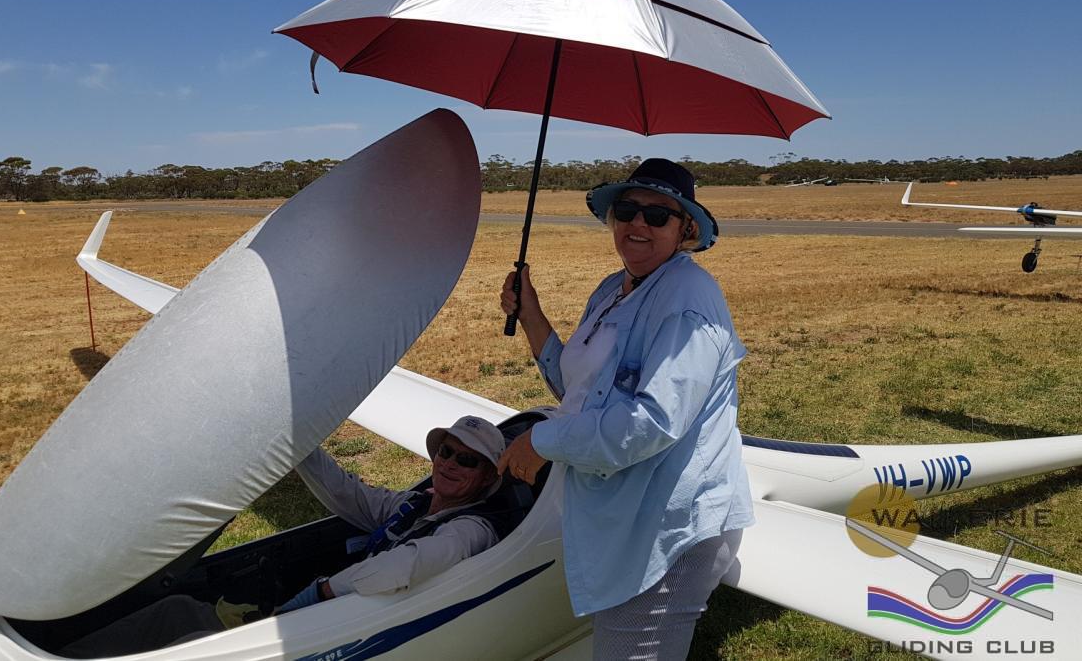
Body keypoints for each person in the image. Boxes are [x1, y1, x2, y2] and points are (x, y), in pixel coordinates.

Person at [497, 158, 754, 660]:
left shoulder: (686, 300)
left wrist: (541, 442)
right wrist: (531, 315)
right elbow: (581, 394)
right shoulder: (613, 289)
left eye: (658, 215)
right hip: (629, 513)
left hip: (670, 528)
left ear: (685, 230)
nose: (638, 223)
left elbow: (650, 423)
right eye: (627, 210)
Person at [60, 416, 510, 658]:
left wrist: (318, 593)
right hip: (319, 618)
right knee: (176, 609)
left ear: (489, 477)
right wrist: (296, 441)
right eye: (446, 451)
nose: (449, 463)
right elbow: (345, 493)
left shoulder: (470, 530)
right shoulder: (414, 505)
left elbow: (402, 566)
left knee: (192, 650)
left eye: (467, 461)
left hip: (334, 632)